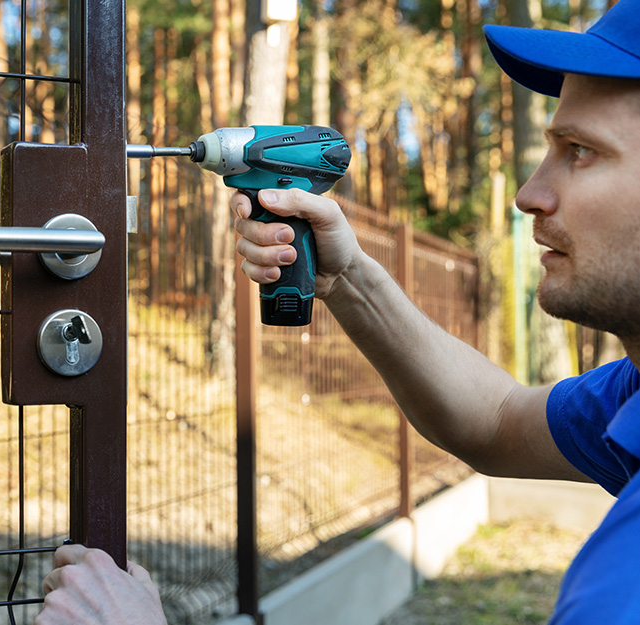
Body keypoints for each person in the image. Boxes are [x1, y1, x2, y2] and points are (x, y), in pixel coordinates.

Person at [35, 0, 640, 622]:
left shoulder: (622, 585)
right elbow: (498, 422)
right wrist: (346, 276)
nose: (529, 194)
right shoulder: (631, 400)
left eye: (581, 151)